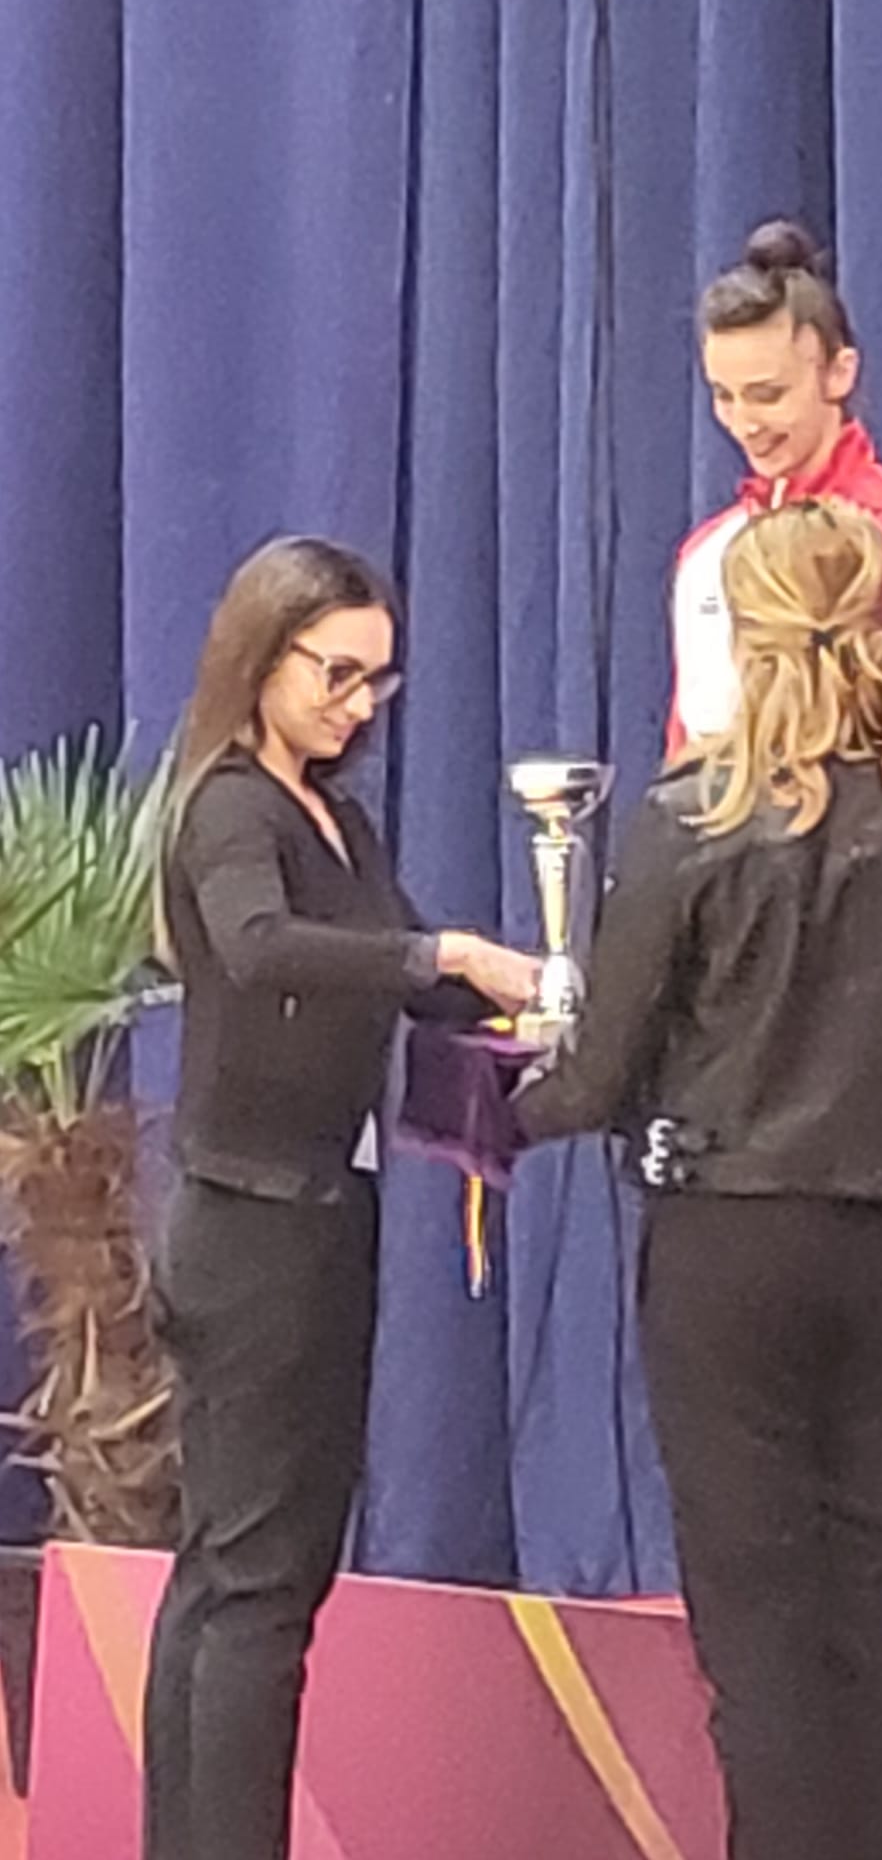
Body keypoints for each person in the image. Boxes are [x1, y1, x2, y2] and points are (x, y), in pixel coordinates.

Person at [516, 501, 882, 1860]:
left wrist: (493, 1101)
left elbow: (599, 1074)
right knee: (869, 1613)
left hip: (727, 1247)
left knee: (758, 1635)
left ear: (741, 640)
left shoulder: (690, 822)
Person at [142, 537, 538, 1860]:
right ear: (263, 654)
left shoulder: (335, 816)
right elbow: (262, 948)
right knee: (253, 1589)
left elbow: (402, 970)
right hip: (251, 1229)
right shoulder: (230, 808)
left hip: (316, 1218)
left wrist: (526, 997)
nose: (359, 705)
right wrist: (442, 951)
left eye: (378, 681)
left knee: (243, 1576)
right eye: (337, 674)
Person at [669, 219, 882, 764]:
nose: (744, 423)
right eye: (724, 396)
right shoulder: (706, 551)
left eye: (768, 395)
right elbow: (683, 753)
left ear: (839, 373)